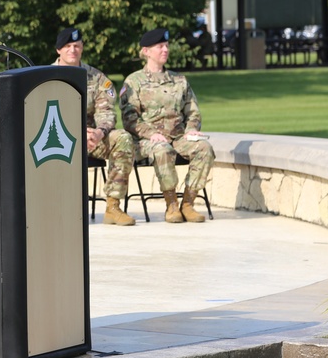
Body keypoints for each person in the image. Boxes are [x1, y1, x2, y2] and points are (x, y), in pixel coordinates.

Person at [120, 28, 214, 224]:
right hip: (147, 141)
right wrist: (151, 133)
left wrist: (191, 130)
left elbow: (192, 111)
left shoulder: (179, 80)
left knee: (204, 148)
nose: (165, 49)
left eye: (166, 46)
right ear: (146, 51)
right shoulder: (133, 81)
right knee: (162, 149)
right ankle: (171, 204)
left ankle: (187, 203)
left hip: (178, 136)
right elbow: (130, 119)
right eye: (160, 46)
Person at [53, 27, 136, 226]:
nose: (72, 50)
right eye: (67, 46)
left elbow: (106, 112)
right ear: (58, 50)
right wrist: (76, 133)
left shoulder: (97, 78)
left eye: (77, 46)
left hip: (92, 139)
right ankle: (57, 209)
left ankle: (113, 207)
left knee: (123, 138)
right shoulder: (47, 77)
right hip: (59, 140)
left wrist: (100, 132)